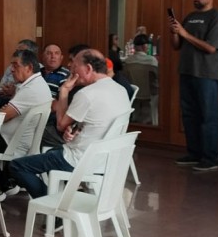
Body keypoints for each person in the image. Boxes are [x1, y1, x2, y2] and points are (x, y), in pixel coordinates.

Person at [9, 49, 131, 199]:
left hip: (80, 160)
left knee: (17, 166)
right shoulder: (121, 90)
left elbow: (60, 125)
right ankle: (61, 195)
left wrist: (65, 90)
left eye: (74, 67)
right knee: (50, 154)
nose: (71, 71)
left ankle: (50, 203)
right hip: (105, 159)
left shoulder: (87, 94)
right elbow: (97, 122)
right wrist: (75, 130)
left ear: (88, 69)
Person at [170, 0, 218, 172]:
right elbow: (176, 46)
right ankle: (194, 153)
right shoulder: (190, 16)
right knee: (189, 115)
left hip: (206, 74)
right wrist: (176, 32)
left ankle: (210, 157)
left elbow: (211, 48)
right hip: (186, 71)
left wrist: (185, 33)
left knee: (208, 116)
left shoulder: (217, 17)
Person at [0, 48, 52, 200]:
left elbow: (1, 117)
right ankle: (7, 180)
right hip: (21, 138)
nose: (11, 69)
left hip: (13, 142)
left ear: (29, 67)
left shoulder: (31, 89)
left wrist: (1, 112)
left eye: (15, 65)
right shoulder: (38, 83)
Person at [0, 39, 38, 110]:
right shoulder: (10, 68)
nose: (12, 69)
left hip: (17, 101)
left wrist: (14, 92)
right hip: (2, 97)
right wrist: (2, 92)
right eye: (16, 51)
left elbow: (28, 93)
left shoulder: (37, 70)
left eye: (20, 51)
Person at [124, 35, 159, 124]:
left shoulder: (127, 61)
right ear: (145, 46)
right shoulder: (152, 61)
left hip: (134, 94)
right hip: (150, 94)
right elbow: (158, 77)